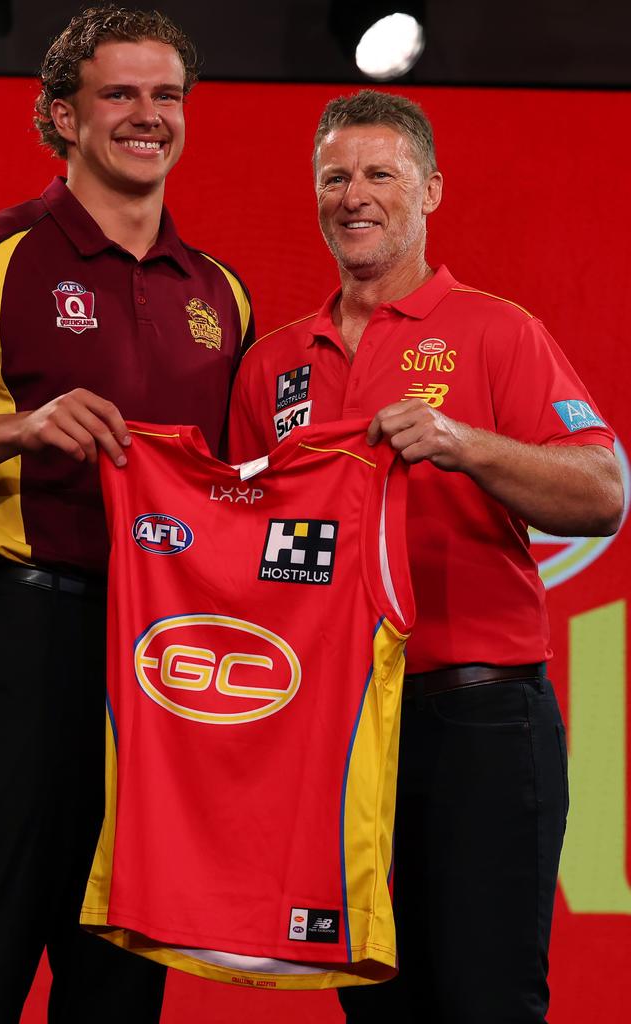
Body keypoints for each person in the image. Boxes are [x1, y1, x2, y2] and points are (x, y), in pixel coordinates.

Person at [0, 6, 252, 1023]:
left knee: (124, 974)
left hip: (164, 663)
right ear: (62, 118)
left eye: (167, 95)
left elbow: (241, 486)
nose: (147, 116)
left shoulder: (222, 293)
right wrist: (19, 430)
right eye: (118, 94)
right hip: (22, 644)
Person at [227, 90, 623, 1023]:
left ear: (430, 190)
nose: (353, 195)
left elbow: (603, 493)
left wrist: (465, 443)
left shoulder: (498, 331)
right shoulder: (272, 364)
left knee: (488, 998)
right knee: (376, 1003)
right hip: (340, 734)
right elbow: (239, 539)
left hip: (481, 715)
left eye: (379, 174)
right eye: (334, 176)